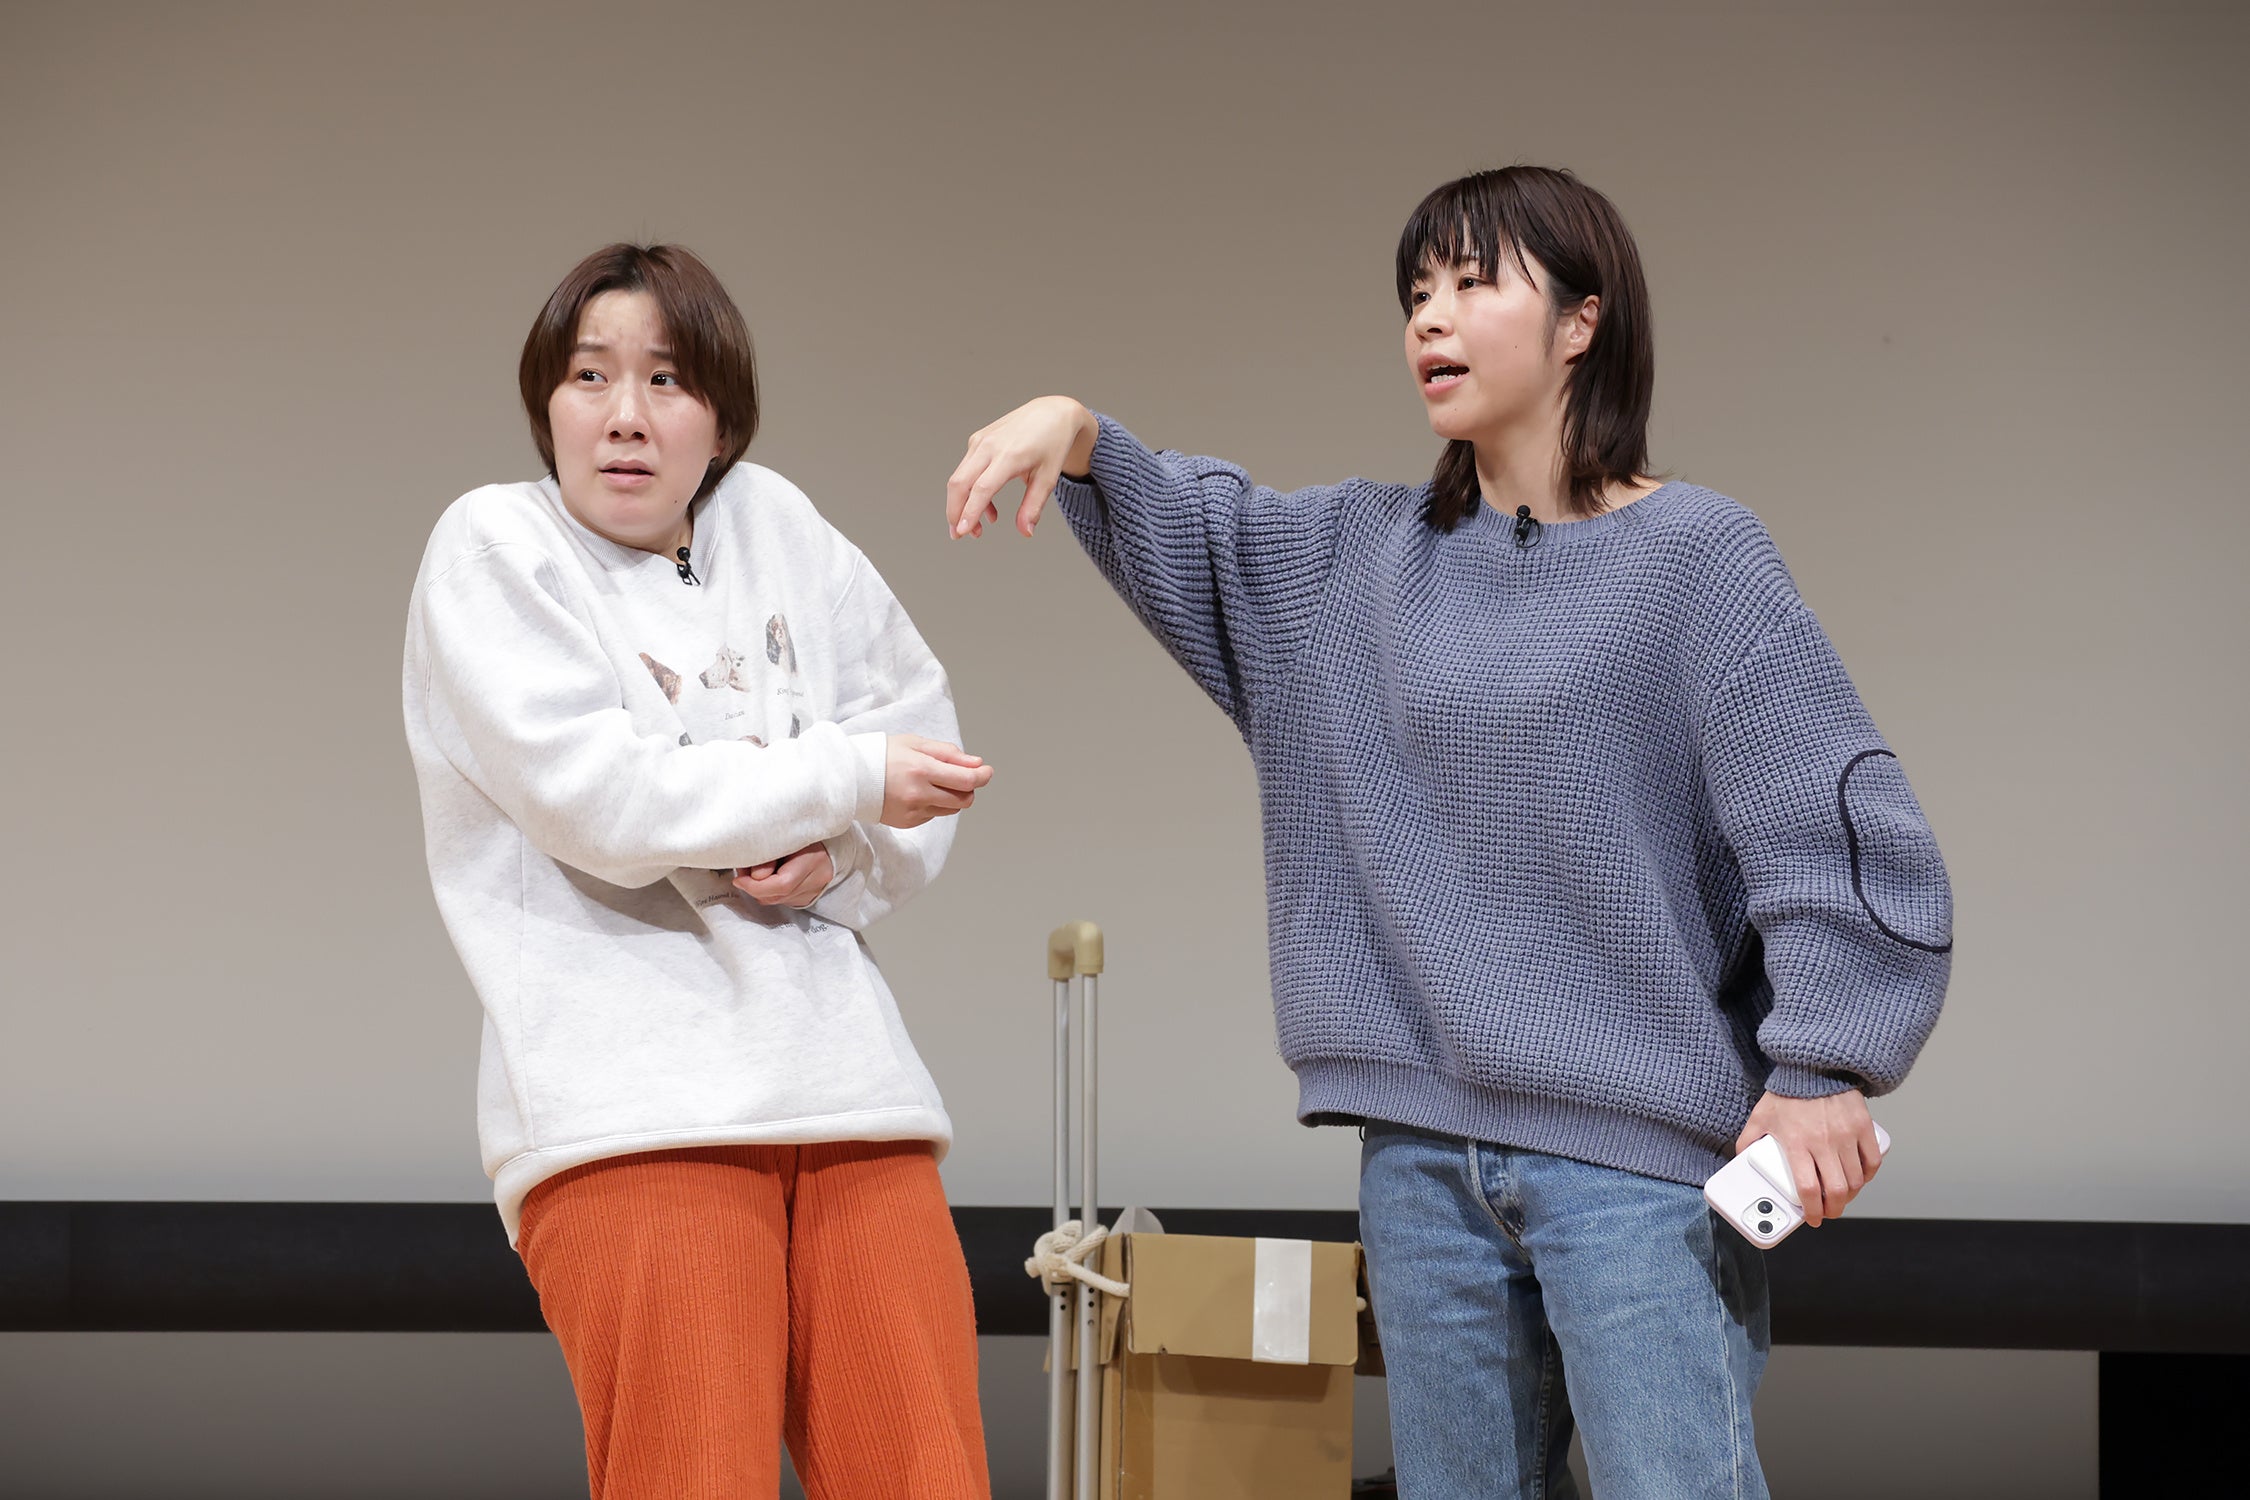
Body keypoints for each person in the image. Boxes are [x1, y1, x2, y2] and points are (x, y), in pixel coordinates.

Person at [944, 166, 1952, 1498]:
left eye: (1475, 284)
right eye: (1417, 292)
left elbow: (1830, 814)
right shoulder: (1354, 562)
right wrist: (1076, 428)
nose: (1430, 317)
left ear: (1581, 321)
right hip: (1419, 1165)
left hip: (1639, 1173)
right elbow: (1199, 533)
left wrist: (1821, 1064)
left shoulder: (1699, 558)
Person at [402, 243, 994, 1499]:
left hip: (852, 1098)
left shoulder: (778, 524)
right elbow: (602, 800)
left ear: (722, 419)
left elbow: (921, 750)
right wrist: (840, 779)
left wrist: (835, 857)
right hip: (635, 1119)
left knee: (929, 1478)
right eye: (589, 376)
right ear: (546, 402)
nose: (625, 414)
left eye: (667, 379)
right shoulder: (496, 545)